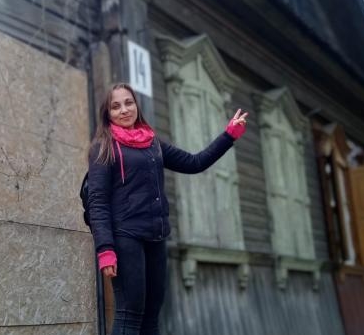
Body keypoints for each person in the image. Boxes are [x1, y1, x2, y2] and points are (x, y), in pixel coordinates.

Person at [88, 83, 248, 335]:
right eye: (115, 106)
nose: (124, 110)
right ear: (107, 113)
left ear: (136, 105)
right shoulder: (103, 146)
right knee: (129, 313)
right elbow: (97, 200)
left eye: (128, 103)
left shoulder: (152, 142)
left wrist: (229, 136)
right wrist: (105, 249)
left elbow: (195, 162)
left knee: (152, 315)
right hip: (125, 237)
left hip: (156, 236)